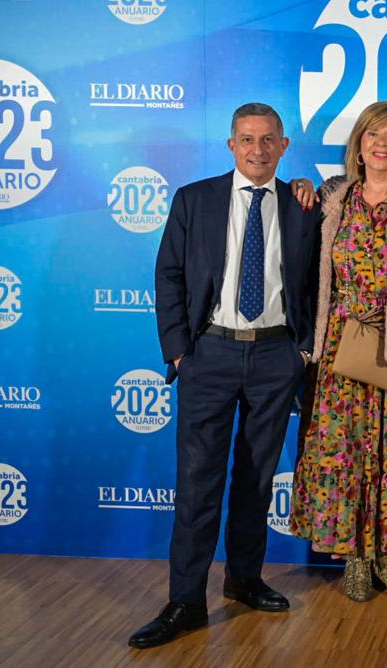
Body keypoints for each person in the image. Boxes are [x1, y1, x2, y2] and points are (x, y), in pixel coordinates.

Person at [131, 103, 320, 648]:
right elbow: (168, 276)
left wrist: (302, 351)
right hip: (208, 355)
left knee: (258, 478)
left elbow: (313, 282)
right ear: (230, 144)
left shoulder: (302, 204)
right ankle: (185, 600)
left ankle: (243, 577)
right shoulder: (194, 199)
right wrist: (179, 354)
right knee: (197, 483)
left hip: (274, 357)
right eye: (246, 139)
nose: (257, 150)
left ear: (284, 146)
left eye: (268, 140)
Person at [288, 101, 387, 602]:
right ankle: (354, 556)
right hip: (340, 345)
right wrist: (298, 189)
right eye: (373, 134)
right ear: (358, 142)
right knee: (345, 450)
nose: (382, 144)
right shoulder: (333, 199)